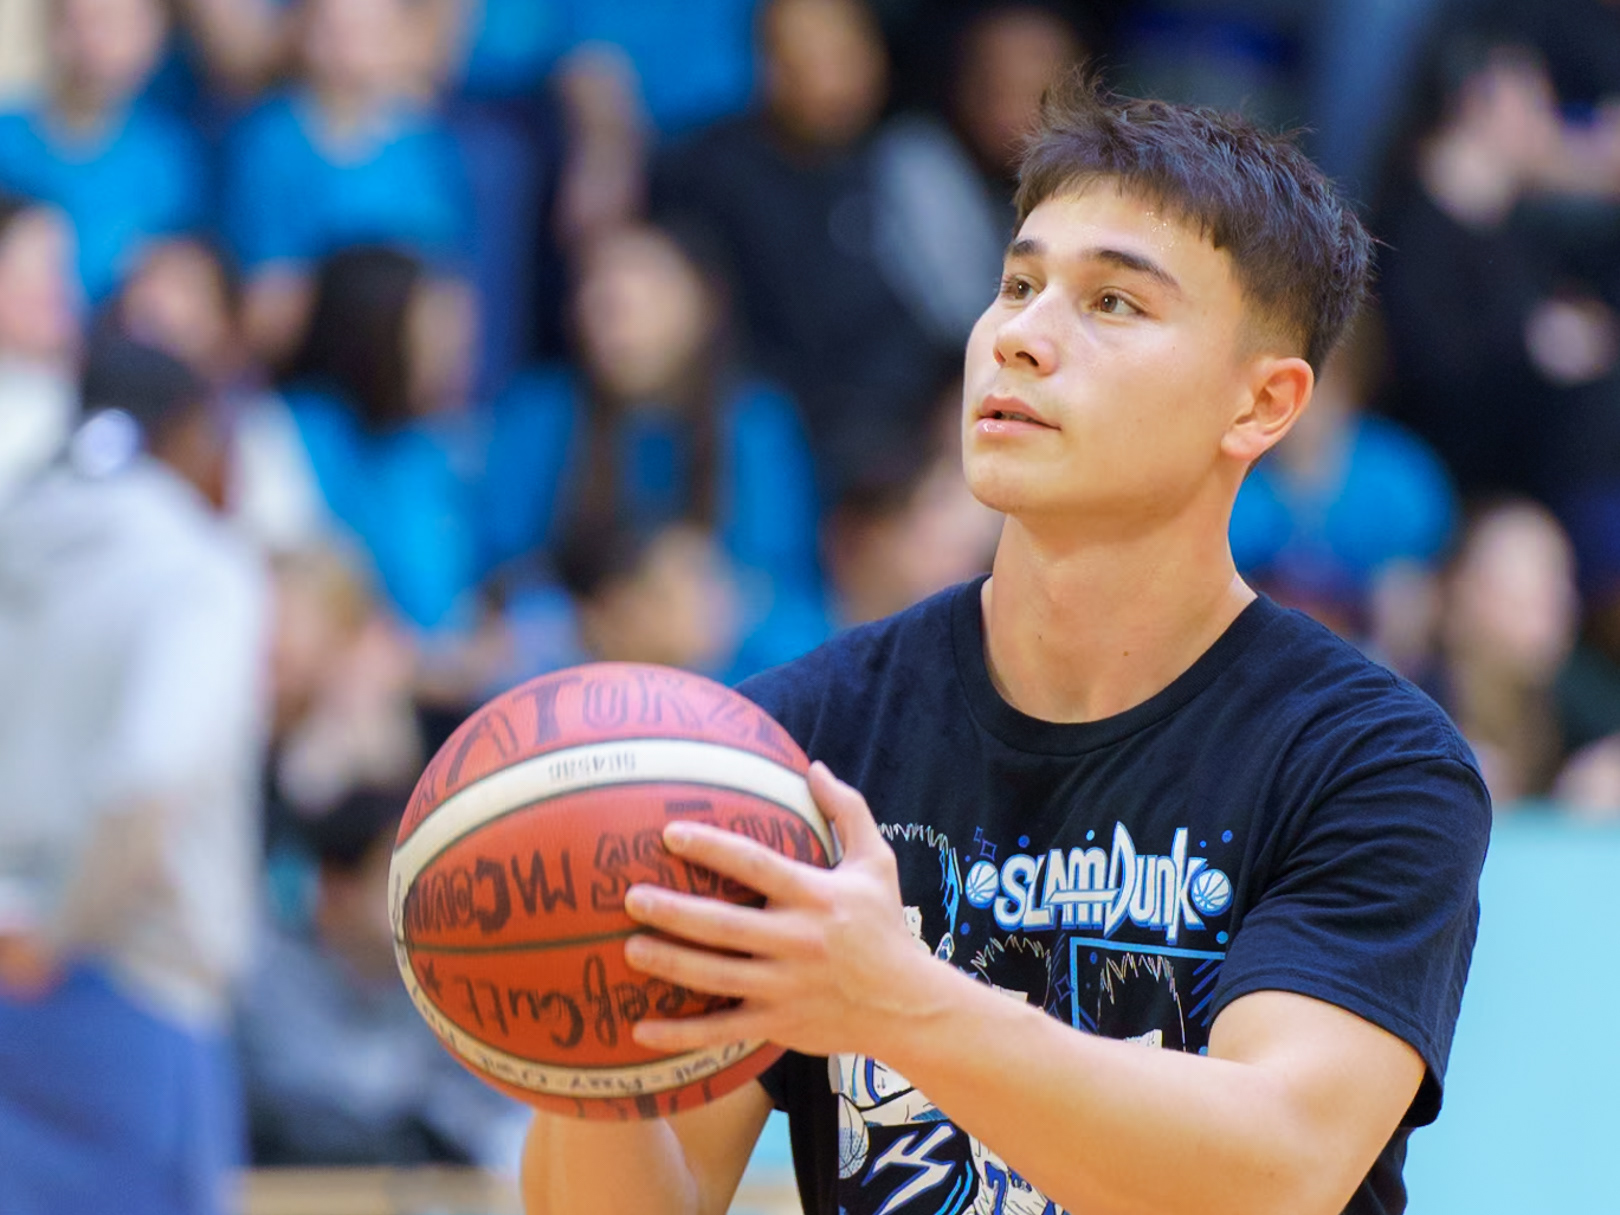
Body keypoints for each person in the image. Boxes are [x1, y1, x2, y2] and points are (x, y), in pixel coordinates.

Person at [520, 75, 1492, 1215]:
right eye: (1019, 285)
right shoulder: (797, 741)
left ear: (1261, 405)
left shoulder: (1371, 764)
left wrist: (899, 1001)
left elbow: (1275, 1173)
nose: (1023, 337)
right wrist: (586, 1037)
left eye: (1113, 302)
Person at [0, 333, 269, 1215]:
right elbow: (148, 773)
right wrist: (60, 930)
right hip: (136, 983)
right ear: (191, 432)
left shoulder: (16, 535)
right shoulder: (197, 566)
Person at [238, 784, 528, 1168]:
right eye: (398, 880)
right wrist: (435, 1096)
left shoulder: (435, 981)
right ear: (335, 889)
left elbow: (499, 1104)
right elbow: (346, 1094)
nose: (425, 901)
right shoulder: (267, 975)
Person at [0, 0, 206, 302]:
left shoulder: (174, 160)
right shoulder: (7, 137)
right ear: (56, 29)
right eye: (89, 21)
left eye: (125, 23)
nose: (103, 41)